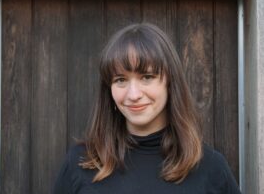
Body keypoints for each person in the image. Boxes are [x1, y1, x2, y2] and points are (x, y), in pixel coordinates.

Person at [53, 23, 241, 194]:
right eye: (120, 80)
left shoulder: (211, 168)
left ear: (170, 82)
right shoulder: (80, 163)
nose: (133, 94)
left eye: (147, 77)